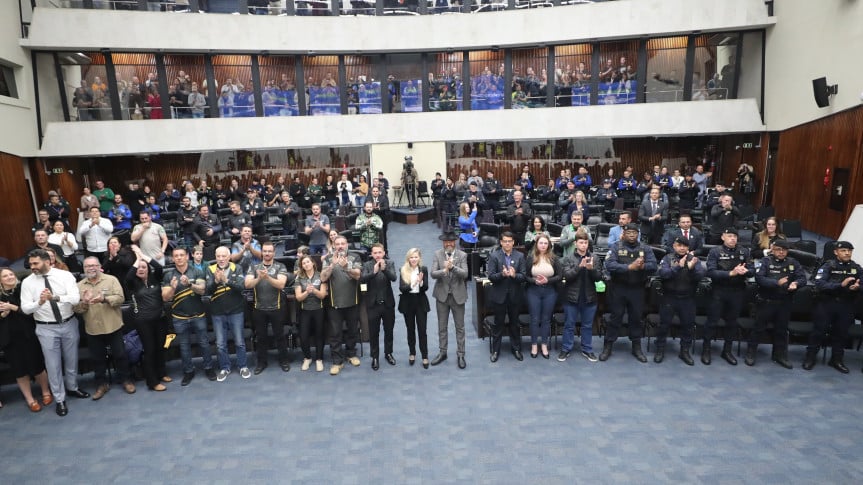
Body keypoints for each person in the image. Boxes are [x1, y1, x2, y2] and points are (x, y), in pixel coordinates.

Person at [21, 249, 89, 417]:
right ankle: (59, 398)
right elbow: (26, 308)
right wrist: (40, 302)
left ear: (47, 261)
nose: (32, 267)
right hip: (46, 328)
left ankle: (72, 387)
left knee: (72, 359)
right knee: (53, 365)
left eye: (35, 263)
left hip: (69, 323)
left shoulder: (64, 276)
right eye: (30, 264)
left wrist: (55, 298)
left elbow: (74, 299)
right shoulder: (27, 282)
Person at [75, 256, 135, 399]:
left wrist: (105, 299)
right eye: (88, 266)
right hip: (93, 329)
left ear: (99, 266)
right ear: (84, 269)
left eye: (93, 265)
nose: (91, 268)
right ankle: (101, 385)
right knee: (97, 359)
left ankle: (126, 380)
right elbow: (76, 309)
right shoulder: (79, 286)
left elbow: (120, 298)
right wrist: (84, 302)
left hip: (113, 326)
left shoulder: (111, 280)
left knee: (120, 355)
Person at [600, 223, 657, 362]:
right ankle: (608, 345)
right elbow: (609, 265)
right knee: (615, 317)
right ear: (624, 234)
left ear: (638, 234)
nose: (631, 235)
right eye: (629, 232)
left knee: (636, 318)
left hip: (637, 289)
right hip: (618, 288)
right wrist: (629, 267)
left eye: (634, 233)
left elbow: (654, 266)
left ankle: (636, 347)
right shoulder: (616, 247)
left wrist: (643, 266)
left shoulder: (645, 248)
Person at [746, 239, 806, 368]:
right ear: (772, 250)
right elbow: (760, 279)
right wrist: (776, 283)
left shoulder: (793, 262)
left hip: (784, 302)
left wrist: (796, 283)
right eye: (778, 249)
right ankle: (751, 353)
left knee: (781, 330)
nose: (781, 252)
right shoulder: (765, 261)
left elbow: (802, 278)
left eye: (784, 250)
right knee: (758, 329)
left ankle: (779, 355)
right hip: (766, 302)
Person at [0, 267, 53, 412]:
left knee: (37, 366)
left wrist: (12, 307)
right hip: (9, 340)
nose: (10, 277)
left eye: (11, 274)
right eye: (5, 276)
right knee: (19, 371)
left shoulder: (23, 290)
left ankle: (46, 392)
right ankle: (30, 399)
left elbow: (31, 313)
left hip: (29, 335)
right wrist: (3, 315)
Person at [161, 246, 215, 386]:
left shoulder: (197, 271)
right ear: (173, 258)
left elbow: (202, 290)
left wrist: (190, 284)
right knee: (184, 346)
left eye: (181, 255)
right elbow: (165, 298)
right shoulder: (168, 275)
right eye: (176, 256)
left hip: (198, 315)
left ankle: (209, 368)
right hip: (179, 318)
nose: (179, 258)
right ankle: (188, 371)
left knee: (204, 343)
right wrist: (173, 288)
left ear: (187, 257)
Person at [806, 241, 862, 372]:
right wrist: (840, 285)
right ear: (836, 252)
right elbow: (820, 284)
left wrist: (858, 287)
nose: (847, 253)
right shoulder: (828, 266)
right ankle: (810, 357)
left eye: (849, 251)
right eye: (843, 251)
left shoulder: (856, 268)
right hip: (827, 304)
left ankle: (836, 360)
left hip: (846, 305)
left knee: (841, 333)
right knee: (818, 332)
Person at [703, 227, 753, 366]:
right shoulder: (715, 251)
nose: (733, 239)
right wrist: (730, 273)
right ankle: (706, 349)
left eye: (735, 236)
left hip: (737, 291)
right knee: (712, 321)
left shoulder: (744, 251)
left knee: (732, 322)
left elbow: (753, 271)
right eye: (730, 236)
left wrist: (745, 271)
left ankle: (727, 350)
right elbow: (711, 272)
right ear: (723, 237)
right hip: (719, 291)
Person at [655, 236, 706, 365]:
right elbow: (663, 274)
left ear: (688, 247)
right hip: (669, 297)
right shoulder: (667, 258)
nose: (682, 248)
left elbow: (701, 276)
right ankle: (660, 349)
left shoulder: (694, 260)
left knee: (688, 326)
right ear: (674, 246)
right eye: (679, 245)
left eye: (685, 246)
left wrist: (691, 269)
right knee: (664, 325)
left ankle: (685, 351)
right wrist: (678, 267)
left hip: (688, 298)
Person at [244, 241, 293, 375]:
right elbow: (247, 284)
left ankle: (284, 361)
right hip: (259, 308)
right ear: (262, 252)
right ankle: (262, 363)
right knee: (261, 337)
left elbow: (281, 284)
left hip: (277, 308)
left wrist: (267, 277)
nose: (267, 253)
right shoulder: (254, 267)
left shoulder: (280, 266)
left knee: (280, 336)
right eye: (265, 251)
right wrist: (259, 278)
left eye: (269, 251)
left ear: (274, 253)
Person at [125, 246, 169, 391]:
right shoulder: (133, 283)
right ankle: (152, 382)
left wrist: (143, 255)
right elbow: (128, 276)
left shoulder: (155, 279)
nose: (141, 269)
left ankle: (161, 373)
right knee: (150, 350)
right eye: (138, 267)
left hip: (160, 319)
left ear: (148, 269)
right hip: (143, 322)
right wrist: (137, 260)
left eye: (144, 267)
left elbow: (158, 267)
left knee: (161, 347)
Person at [321, 235, 363, 375]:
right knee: (335, 334)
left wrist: (346, 267)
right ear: (333, 245)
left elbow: (357, 275)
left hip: (352, 301)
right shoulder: (328, 259)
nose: (340, 246)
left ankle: (351, 354)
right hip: (334, 303)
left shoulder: (355, 257)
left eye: (342, 243)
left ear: (347, 245)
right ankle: (337, 361)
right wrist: (332, 265)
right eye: (337, 244)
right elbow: (323, 278)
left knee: (352, 330)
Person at [209, 246, 251, 381]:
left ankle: (243, 366)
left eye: (224, 256)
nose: (221, 259)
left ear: (229, 257)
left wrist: (226, 281)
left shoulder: (236, 268)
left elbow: (241, 287)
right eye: (218, 256)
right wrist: (216, 281)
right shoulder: (210, 269)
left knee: (239, 342)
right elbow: (207, 291)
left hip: (236, 311)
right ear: (215, 257)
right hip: (217, 312)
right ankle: (224, 368)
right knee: (220, 344)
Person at [558, 231, 601, 362]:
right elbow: (567, 276)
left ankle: (587, 349)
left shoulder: (595, 258)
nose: (583, 245)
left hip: (589, 297)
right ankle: (566, 349)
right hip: (571, 298)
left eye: (585, 242)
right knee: (569, 325)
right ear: (576, 243)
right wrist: (579, 267)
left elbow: (599, 277)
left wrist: (591, 269)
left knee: (587, 326)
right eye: (581, 242)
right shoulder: (568, 258)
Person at [430, 231, 468, 369]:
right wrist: (444, 271)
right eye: (446, 242)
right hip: (442, 296)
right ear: (443, 243)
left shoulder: (462, 255)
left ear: (455, 242)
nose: (448, 244)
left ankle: (461, 354)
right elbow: (433, 273)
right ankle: (443, 352)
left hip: (458, 296)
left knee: (460, 327)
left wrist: (453, 267)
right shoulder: (437, 254)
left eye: (451, 241)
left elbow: (465, 274)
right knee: (442, 327)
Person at [486, 231, 526, 362]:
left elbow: (523, 276)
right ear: (501, 242)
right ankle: (495, 350)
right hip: (499, 296)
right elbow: (491, 276)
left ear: (513, 242)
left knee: (514, 324)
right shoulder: (494, 256)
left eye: (510, 241)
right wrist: (502, 275)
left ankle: (516, 349)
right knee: (498, 324)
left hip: (515, 296)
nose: (507, 243)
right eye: (505, 241)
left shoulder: (520, 256)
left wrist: (514, 275)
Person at [360, 243, 397, 371]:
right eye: (375, 253)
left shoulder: (389, 263)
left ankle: (388, 353)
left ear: (384, 253)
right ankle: (374, 357)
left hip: (387, 304)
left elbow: (394, 278)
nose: (377, 255)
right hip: (372, 305)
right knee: (373, 333)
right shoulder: (367, 265)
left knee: (389, 331)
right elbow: (362, 279)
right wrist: (374, 272)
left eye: (379, 252)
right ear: (371, 254)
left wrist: (384, 269)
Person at [525, 234, 562, 360]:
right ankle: (534, 345)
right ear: (537, 244)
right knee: (535, 319)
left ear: (549, 245)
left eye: (545, 243)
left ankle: (544, 345)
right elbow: (525, 276)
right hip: (533, 291)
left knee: (546, 319)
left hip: (550, 291)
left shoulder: (554, 258)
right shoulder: (531, 257)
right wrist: (534, 281)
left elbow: (560, 276)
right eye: (541, 243)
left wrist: (548, 280)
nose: (543, 245)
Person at [294, 254, 328, 373]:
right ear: (302, 266)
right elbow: (298, 297)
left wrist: (314, 290)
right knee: (303, 336)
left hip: (319, 309)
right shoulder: (299, 277)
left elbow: (322, 295)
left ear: (313, 263)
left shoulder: (321, 275)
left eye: (308, 262)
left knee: (319, 335)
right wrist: (307, 292)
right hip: (305, 311)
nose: (306, 264)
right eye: (303, 263)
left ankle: (319, 359)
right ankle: (307, 358)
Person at [398, 248, 430, 369]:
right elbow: (402, 288)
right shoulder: (403, 270)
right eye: (411, 257)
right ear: (408, 258)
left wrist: (421, 283)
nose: (414, 259)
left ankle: (425, 356)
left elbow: (426, 287)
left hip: (420, 302)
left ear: (419, 258)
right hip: (408, 303)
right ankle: (412, 353)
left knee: (422, 330)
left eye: (416, 257)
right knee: (410, 329)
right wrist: (414, 283)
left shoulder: (423, 269)